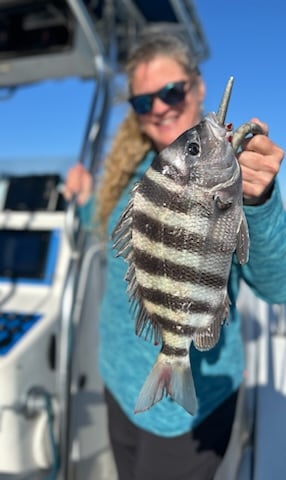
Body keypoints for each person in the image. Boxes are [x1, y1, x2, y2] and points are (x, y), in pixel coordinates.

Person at [64, 25, 286, 480]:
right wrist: (87, 199)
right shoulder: (124, 170)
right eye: (144, 102)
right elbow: (107, 234)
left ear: (198, 86)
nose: (160, 108)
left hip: (191, 413)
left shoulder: (228, 178)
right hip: (119, 382)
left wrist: (259, 203)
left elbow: (278, 285)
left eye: (171, 91)